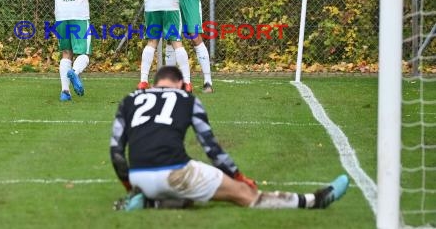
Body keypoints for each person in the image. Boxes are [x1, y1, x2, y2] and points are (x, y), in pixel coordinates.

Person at [109, 66, 349, 211]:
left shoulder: (131, 98)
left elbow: (116, 151)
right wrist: (238, 176)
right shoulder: (187, 99)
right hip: (176, 172)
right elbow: (210, 146)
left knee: (191, 197)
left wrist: (132, 187)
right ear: (181, 84)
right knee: (244, 195)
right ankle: (312, 201)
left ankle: (150, 202)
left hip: (139, 176)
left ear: (155, 83)